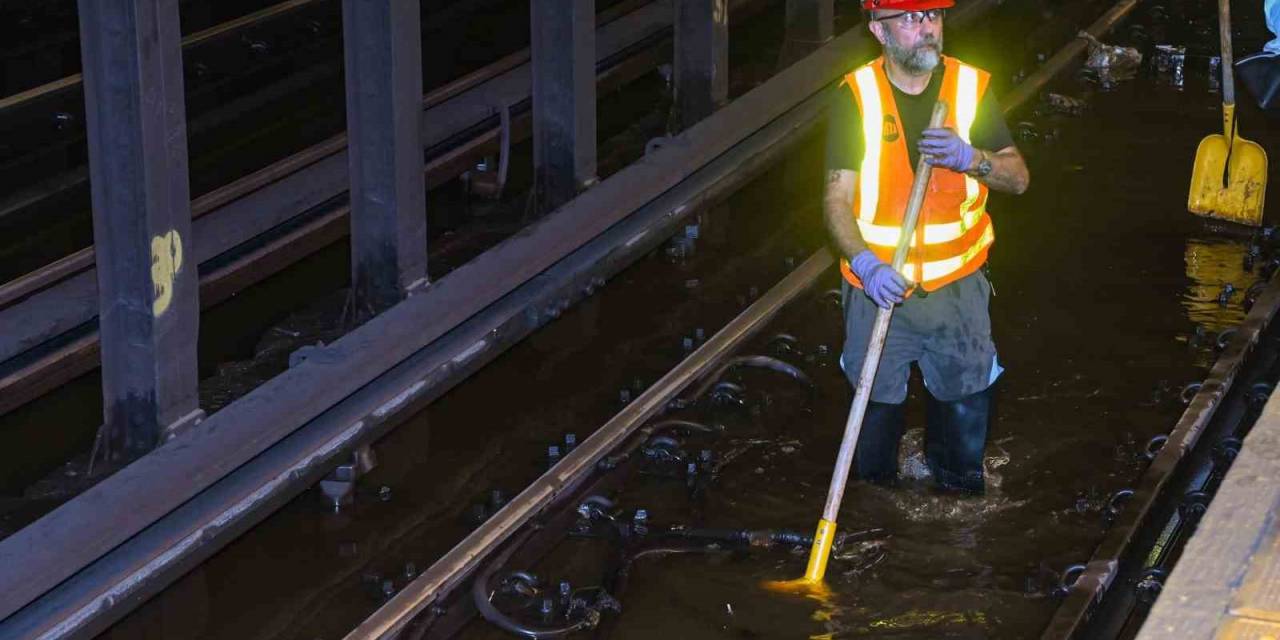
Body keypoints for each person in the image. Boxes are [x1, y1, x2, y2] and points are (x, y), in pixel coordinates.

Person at [824, 0, 1029, 493]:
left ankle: (953, 536)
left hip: (956, 296)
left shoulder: (969, 88)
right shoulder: (857, 96)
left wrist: (972, 158)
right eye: (913, 19)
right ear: (880, 30)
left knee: (961, 461)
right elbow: (836, 200)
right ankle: (879, 533)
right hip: (878, 294)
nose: (929, 29)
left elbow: (1018, 178)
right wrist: (866, 263)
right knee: (870, 459)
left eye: (934, 16)